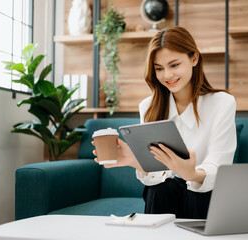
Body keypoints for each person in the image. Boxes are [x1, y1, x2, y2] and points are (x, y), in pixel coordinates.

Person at [92, 26, 237, 219]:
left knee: (196, 192)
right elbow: (156, 177)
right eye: (159, 68)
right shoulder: (148, 107)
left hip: (207, 196)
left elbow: (219, 166)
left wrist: (191, 173)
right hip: (166, 195)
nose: (167, 76)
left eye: (174, 65)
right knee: (161, 188)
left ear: (194, 58)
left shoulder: (222, 102)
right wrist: (135, 161)